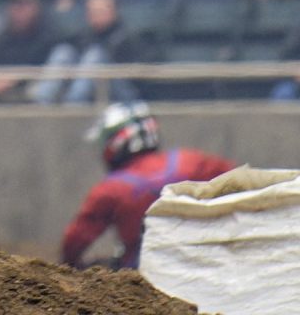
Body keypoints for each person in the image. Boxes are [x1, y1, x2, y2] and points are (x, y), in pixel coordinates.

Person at [61, 102, 236, 269]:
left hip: (145, 274)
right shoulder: (193, 161)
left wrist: (72, 265)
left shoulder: (111, 189)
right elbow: (242, 183)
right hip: (209, 256)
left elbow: (74, 242)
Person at [32, 0, 153, 105]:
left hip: (124, 92)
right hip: (92, 89)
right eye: (92, 12)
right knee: (64, 52)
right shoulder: (85, 36)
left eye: (101, 11)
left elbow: (133, 74)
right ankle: (41, 102)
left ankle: (73, 106)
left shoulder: (126, 36)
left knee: (96, 56)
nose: (96, 15)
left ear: (113, 12)